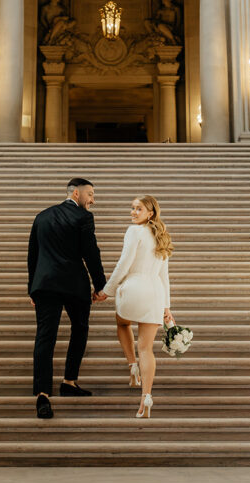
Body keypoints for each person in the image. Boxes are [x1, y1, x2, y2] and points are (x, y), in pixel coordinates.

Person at [27, 177, 106, 420]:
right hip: (74, 285)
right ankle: (69, 381)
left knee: (45, 337)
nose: (93, 200)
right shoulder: (83, 218)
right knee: (80, 329)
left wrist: (32, 287)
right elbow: (91, 253)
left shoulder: (42, 216)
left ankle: (42, 394)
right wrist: (100, 285)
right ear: (76, 194)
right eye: (90, 194)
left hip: (45, 285)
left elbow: (33, 254)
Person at [98, 195, 173, 418]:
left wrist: (106, 291)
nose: (133, 212)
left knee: (122, 323)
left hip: (134, 289)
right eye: (132, 208)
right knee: (147, 348)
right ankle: (146, 397)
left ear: (150, 213)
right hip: (155, 293)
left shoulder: (134, 232)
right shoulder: (162, 237)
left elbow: (124, 263)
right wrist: (167, 306)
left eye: (138, 209)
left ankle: (132, 365)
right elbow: (164, 275)